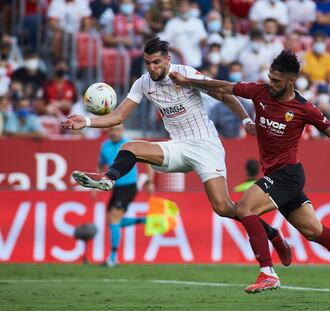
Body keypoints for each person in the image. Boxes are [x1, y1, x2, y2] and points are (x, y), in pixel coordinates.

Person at [169, 50, 330, 302]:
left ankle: (267, 271)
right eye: (270, 77)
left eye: (277, 80)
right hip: (276, 175)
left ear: (291, 81)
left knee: (245, 209)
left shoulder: (304, 109)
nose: (272, 82)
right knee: (314, 231)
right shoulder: (259, 92)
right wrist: (188, 81)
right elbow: (225, 86)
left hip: (288, 175)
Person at [62, 37, 292, 267]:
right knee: (129, 146)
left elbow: (223, 94)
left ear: (167, 60)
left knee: (224, 208)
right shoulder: (143, 84)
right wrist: (87, 121)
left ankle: (274, 235)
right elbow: (119, 116)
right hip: (177, 146)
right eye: (147, 63)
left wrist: (245, 120)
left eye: (156, 62)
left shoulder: (185, 74)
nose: (152, 67)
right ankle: (108, 179)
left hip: (205, 145)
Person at [99, 124, 151, 267]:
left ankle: (113, 257)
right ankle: (143, 220)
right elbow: (101, 164)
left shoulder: (129, 146)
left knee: (114, 219)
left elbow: (149, 163)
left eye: (117, 129)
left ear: (122, 131)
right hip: (115, 187)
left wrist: (150, 181)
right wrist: (96, 185)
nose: (114, 132)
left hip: (129, 186)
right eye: (111, 130)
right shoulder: (104, 146)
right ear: (108, 131)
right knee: (112, 221)